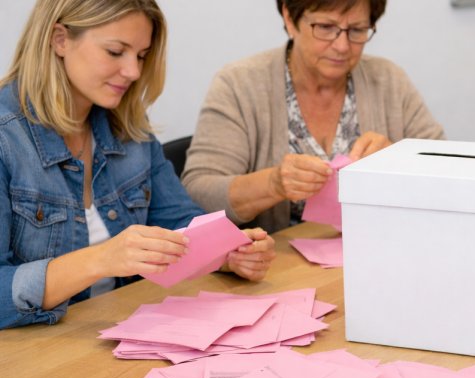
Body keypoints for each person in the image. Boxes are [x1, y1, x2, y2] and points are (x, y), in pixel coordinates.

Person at [0, 0, 277, 330]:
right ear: (60, 39)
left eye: (141, 55)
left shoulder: (129, 126)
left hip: (118, 335)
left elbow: (179, 224)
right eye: (116, 52)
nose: (133, 71)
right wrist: (101, 259)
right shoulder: (7, 138)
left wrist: (227, 253)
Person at [182, 0, 445, 234]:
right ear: (289, 18)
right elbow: (198, 193)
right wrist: (273, 184)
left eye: (356, 30)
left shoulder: (388, 80)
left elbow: (445, 169)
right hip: (276, 273)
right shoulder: (239, 85)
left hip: (376, 252)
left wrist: (397, 160)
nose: (342, 45)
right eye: (325, 27)